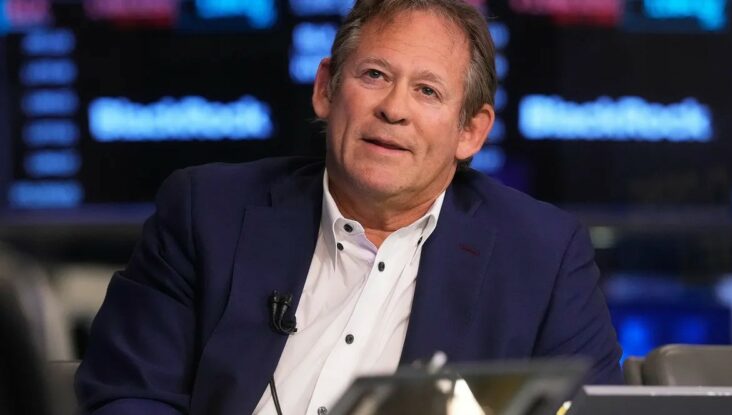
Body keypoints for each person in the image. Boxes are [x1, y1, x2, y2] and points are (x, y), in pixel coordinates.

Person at [75, 1, 623, 414]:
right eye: (374, 75)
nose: (394, 109)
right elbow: (127, 394)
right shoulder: (206, 212)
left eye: (427, 91)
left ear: (471, 132)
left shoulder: (543, 256)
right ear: (325, 89)